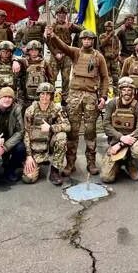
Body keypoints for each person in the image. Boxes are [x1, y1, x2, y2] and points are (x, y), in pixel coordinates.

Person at [45, 26, 109, 177]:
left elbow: (105, 78)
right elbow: (63, 46)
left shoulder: (99, 56)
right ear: (81, 40)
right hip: (74, 96)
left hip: (91, 96)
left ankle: (91, 162)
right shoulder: (75, 52)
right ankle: (70, 162)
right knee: (72, 131)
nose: (87, 41)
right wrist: (53, 36)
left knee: (90, 130)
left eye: (89, 39)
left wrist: (103, 96)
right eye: (84, 39)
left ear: (93, 40)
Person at [22, 82, 70, 185]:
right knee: (29, 179)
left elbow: (67, 126)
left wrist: (51, 128)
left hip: (49, 145)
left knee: (62, 136)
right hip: (35, 148)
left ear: (51, 96)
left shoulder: (56, 109)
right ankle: (33, 163)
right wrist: (28, 155)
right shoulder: (30, 111)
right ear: (38, 95)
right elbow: (26, 133)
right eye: (42, 94)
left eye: (48, 94)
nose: (45, 97)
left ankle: (54, 170)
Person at [100, 77, 138, 183]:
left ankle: (130, 163)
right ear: (120, 91)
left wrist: (122, 143)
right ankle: (118, 163)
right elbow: (106, 125)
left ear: (133, 91)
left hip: (132, 141)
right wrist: (120, 137)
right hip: (115, 141)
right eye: (124, 89)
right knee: (106, 178)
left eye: (129, 90)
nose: (127, 92)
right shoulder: (112, 104)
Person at [49, 5, 84, 100]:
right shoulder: (51, 26)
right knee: (52, 78)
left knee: (66, 78)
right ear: (56, 15)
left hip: (66, 55)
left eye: (64, 14)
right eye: (60, 14)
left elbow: (83, 31)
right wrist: (55, 53)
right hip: (54, 55)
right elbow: (48, 42)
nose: (62, 16)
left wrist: (72, 25)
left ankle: (65, 100)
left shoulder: (69, 25)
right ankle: (50, 99)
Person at [19, 40, 55, 110]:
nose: (34, 52)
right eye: (32, 50)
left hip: (42, 95)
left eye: (36, 50)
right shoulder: (24, 62)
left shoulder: (45, 63)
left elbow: (51, 79)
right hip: (27, 95)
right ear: (28, 51)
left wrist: (52, 95)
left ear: (39, 51)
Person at [98, 21, 121, 88]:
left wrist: (116, 55)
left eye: (110, 27)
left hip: (113, 59)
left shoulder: (115, 37)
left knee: (115, 75)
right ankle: (104, 88)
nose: (109, 28)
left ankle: (115, 89)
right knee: (105, 74)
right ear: (105, 27)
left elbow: (117, 47)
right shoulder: (102, 36)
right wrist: (109, 36)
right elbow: (102, 44)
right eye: (107, 27)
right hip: (105, 58)